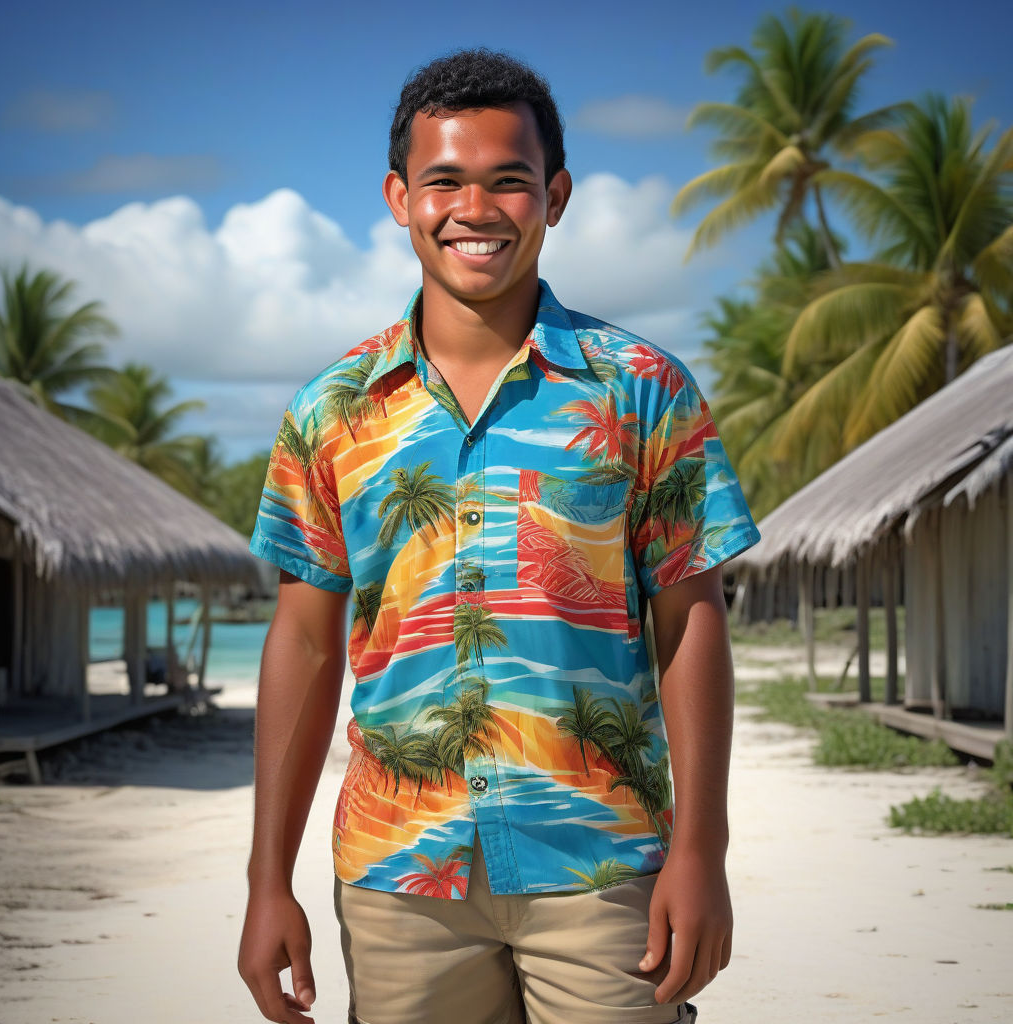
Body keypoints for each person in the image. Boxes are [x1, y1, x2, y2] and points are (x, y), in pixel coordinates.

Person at [238, 48, 759, 1024]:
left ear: (553, 195)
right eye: (443, 180)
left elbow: (691, 618)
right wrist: (268, 878)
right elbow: (304, 642)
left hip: (603, 866)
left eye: (508, 181)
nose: (473, 209)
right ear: (399, 196)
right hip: (399, 877)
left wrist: (702, 852)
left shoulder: (641, 390)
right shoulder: (332, 411)